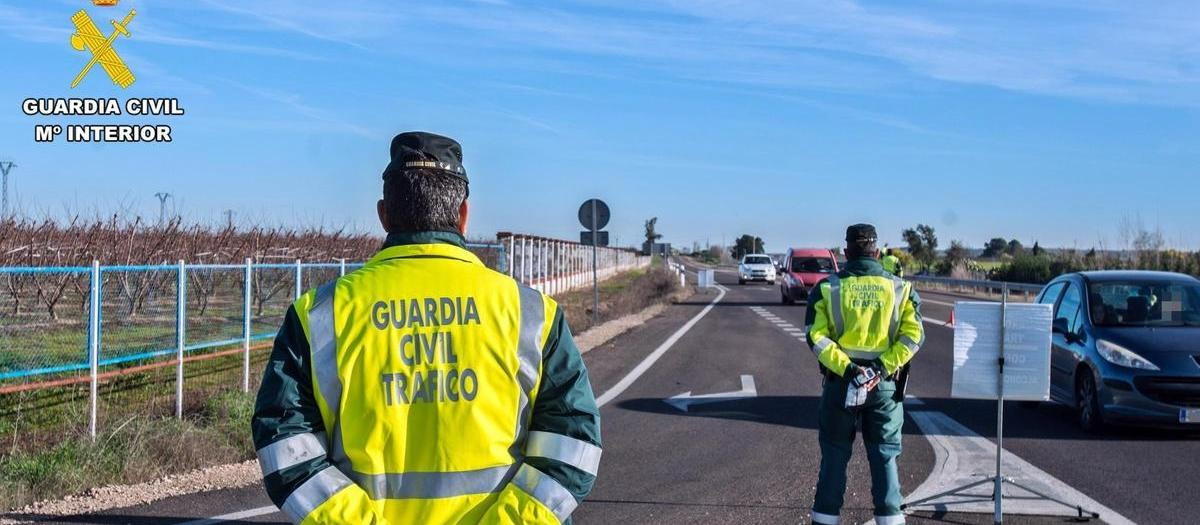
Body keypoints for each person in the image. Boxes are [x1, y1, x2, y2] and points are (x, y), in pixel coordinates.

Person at [251, 131, 602, 524]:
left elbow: (285, 445)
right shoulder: (532, 314)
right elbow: (573, 444)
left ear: (384, 214)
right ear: (463, 215)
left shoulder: (319, 315)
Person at [805, 224, 923, 525]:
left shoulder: (827, 288)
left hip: (841, 383)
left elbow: (816, 337)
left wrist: (849, 369)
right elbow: (913, 337)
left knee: (833, 457)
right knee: (884, 457)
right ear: (878, 252)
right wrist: (880, 368)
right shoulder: (901, 289)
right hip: (883, 386)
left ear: (846, 253)